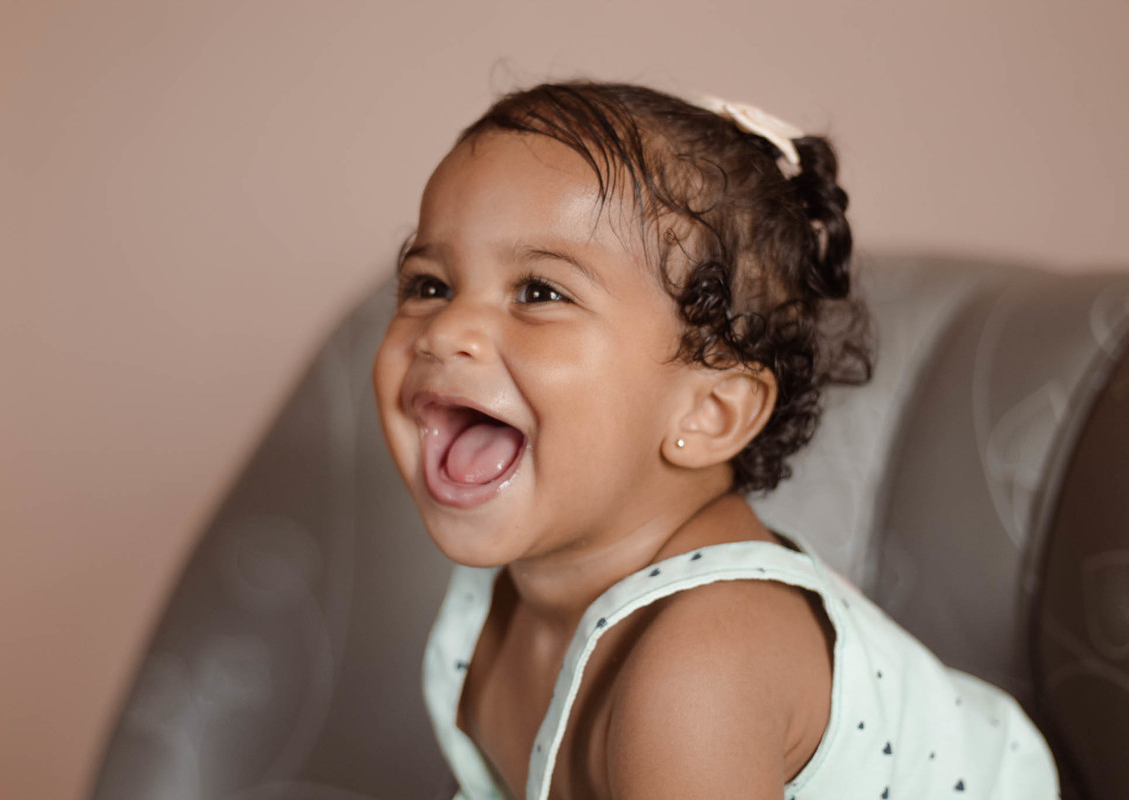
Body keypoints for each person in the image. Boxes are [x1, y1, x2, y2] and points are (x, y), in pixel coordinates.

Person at [371, 81, 1058, 800]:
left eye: (540, 292)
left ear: (709, 413)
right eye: (429, 284)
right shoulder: (499, 598)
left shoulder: (705, 660)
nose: (445, 331)